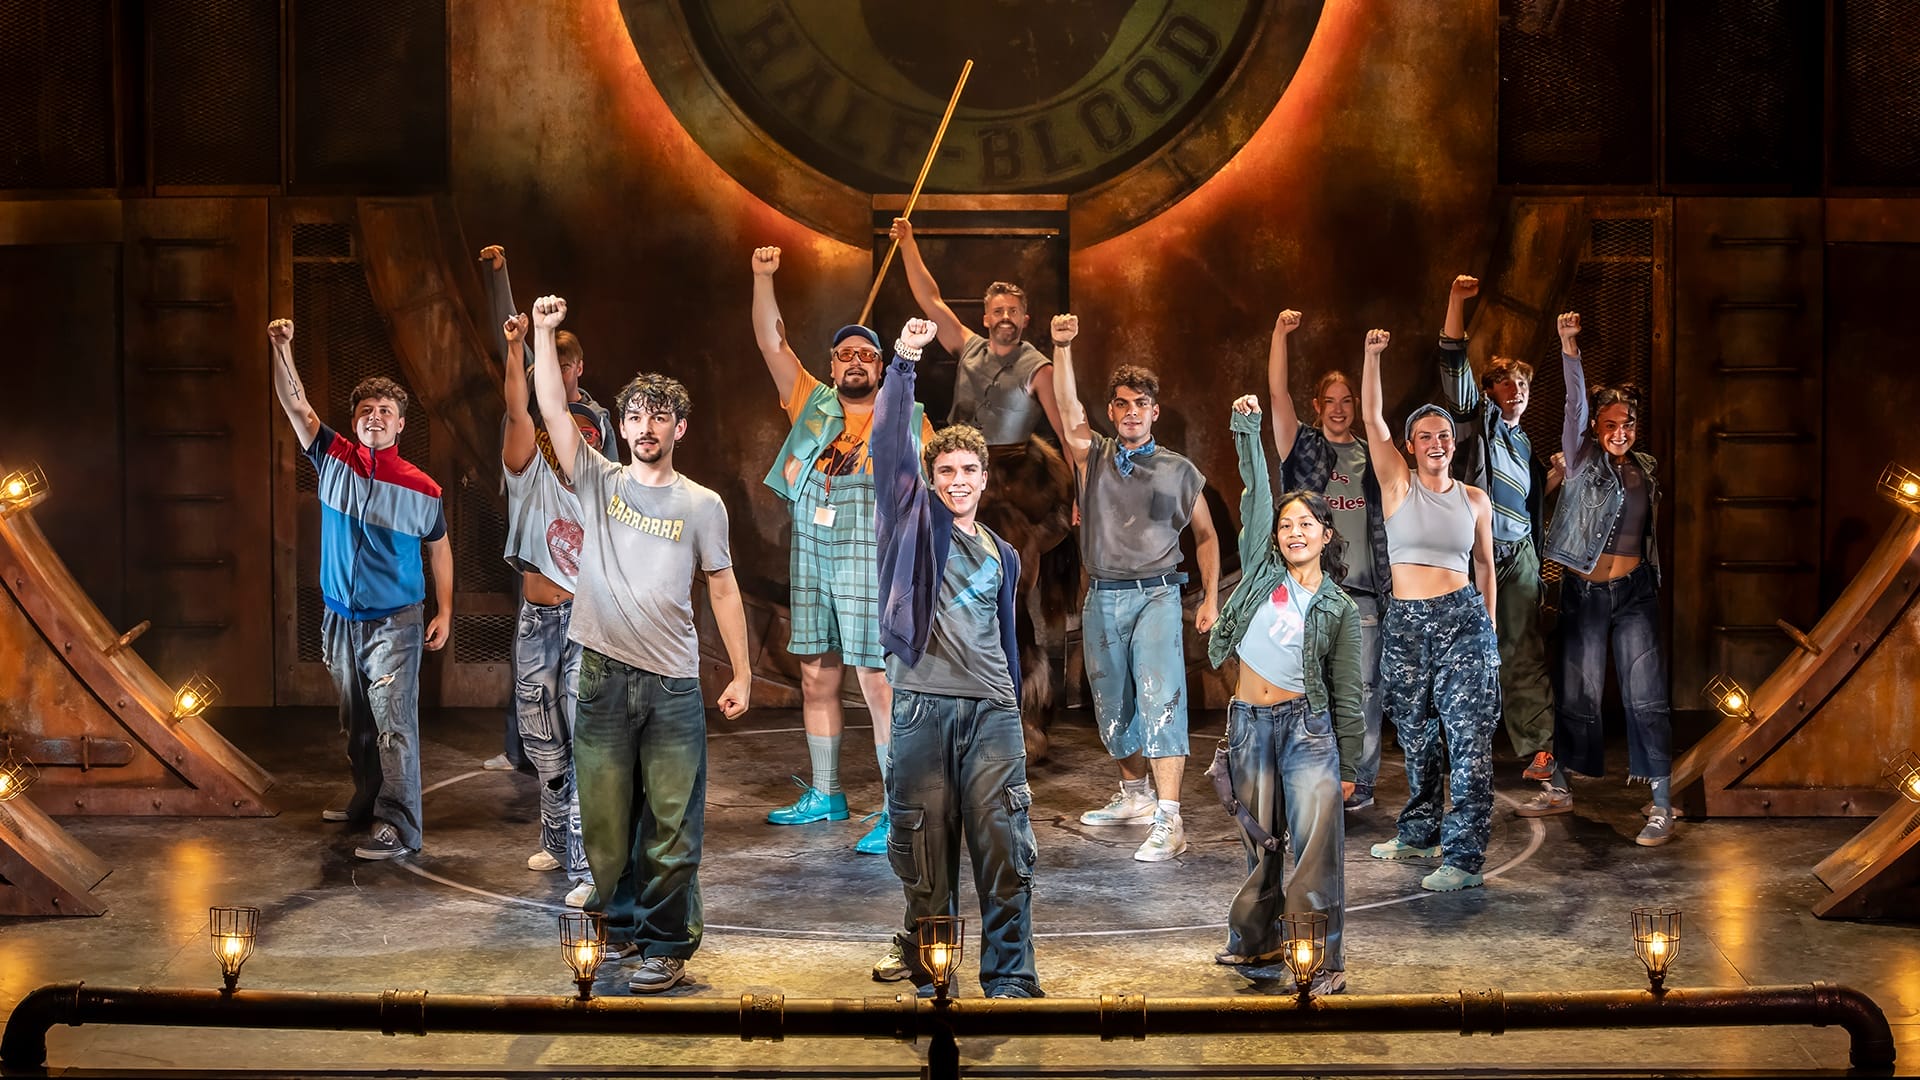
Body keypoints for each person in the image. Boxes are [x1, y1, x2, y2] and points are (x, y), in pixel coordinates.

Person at [528, 294, 753, 994]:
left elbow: (721, 588)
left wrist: (742, 672)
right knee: (604, 822)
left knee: (671, 825)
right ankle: (620, 924)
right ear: (621, 427)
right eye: (634, 415)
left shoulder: (701, 503)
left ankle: (665, 943)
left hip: (672, 685)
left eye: (659, 415)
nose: (645, 425)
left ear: (680, 426)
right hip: (600, 675)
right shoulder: (598, 478)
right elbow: (551, 409)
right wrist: (540, 331)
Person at [868, 316, 1042, 999]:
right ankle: (930, 970)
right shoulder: (912, 520)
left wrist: (1010, 698)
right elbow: (889, 447)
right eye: (946, 470)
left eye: (970, 469)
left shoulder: (1003, 553)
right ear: (931, 478)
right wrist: (904, 363)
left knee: (1005, 852)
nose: (959, 480)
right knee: (924, 857)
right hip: (921, 707)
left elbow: (1004, 636)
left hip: (991, 715)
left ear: (985, 476)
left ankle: (1012, 979)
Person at [750, 245, 934, 853]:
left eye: (867, 354)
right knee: (814, 673)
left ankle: (896, 807)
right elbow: (771, 343)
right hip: (813, 553)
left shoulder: (905, 413)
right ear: (831, 365)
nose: (855, 362)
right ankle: (827, 792)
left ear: (882, 367)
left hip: (870, 558)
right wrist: (763, 277)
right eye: (844, 354)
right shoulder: (811, 402)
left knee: (878, 681)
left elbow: (931, 493)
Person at [268, 318, 450, 861]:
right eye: (365, 411)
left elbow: (439, 548)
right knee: (357, 725)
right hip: (339, 618)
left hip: (396, 621)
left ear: (399, 427)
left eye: (385, 412)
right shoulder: (332, 459)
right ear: (355, 422)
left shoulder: (422, 487)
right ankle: (368, 800)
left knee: (395, 725)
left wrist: (446, 609)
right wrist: (282, 349)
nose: (375, 417)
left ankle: (401, 827)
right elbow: (295, 405)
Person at [890, 217, 1072, 751]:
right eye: (997, 312)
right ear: (986, 317)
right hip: (957, 477)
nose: (1005, 320)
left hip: (1012, 491)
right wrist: (907, 242)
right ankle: (948, 708)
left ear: (1025, 318)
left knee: (1008, 602)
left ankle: (1021, 716)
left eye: (1014, 312)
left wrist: (1078, 495)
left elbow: (1065, 430)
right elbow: (930, 297)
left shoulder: (1037, 368)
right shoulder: (966, 346)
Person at [1049, 313, 1221, 862]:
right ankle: (1135, 796)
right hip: (1102, 595)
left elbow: (1207, 536)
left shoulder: (1178, 469)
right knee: (1112, 704)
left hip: (1156, 595)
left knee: (1161, 699)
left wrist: (1211, 596)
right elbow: (1067, 407)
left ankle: (1171, 821)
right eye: (1121, 403)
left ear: (1155, 411)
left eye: (1140, 404)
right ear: (1112, 410)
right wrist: (1062, 347)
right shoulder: (1093, 455)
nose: (1130, 413)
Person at [1205, 394, 1362, 994]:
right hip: (1249, 721)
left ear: (1326, 535)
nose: (1293, 532)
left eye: (1306, 525)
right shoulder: (1262, 571)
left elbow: (1347, 692)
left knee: (1316, 854)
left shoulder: (1339, 608)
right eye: (1286, 525)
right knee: (1261, 844)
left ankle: (1321, 961)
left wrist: (1348, 765)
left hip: (1308, 729)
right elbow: (1256, 493)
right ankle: (1259, 943)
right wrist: (1247, 429)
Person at [1355, 329, 1503, 893]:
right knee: (1415, 735)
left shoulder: (1474, 500)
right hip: (1406, 623)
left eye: (1443, 434)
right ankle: (1419, 832)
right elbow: (1372, 420)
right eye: (1425, 436)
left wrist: (1487, 629)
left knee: (1467, 739)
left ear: (1452, 443)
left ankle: (1464, 856)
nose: (1436, 442)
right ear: (1411, 446)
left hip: (1462, 620)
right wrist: (1372, 358)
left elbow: (1486, 567)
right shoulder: (1397, 484)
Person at [1523, 312, 1675, 847]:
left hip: (1635, 593)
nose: (1618, 433)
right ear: (1595, 428)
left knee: (1646, 695)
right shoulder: (1583, 457)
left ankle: (1661, 803)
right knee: (1577, 692)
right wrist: (1570, 348)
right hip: (1585, 592)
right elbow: (1573, 405)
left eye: (1627, 425)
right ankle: (1561, 785)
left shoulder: (1646, 468)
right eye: (1609, 425)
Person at [476, 244, 618, 774]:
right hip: (537, 539)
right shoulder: (527, 415)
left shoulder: (599, 419)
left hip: (582, 563)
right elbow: (511, 339)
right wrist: (500, 275)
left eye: (563, 364)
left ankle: (590, 811)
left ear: (578, 367)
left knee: (581, 694)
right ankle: (524, 751)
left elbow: (613, 488)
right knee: (533, 665)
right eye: (547, 366)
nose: (553, 372)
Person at [1434, 274, 1558, 782]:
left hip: (1519, 551)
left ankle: (1539, 748)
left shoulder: (1523, 443)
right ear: (1488, 391)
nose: (1517, 390)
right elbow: (1452, 362)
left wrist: (1553, 479)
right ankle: (1460, 748)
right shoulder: (1477, 421)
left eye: (1523, 384)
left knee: (1523, 648)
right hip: (1474, 554)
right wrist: (1456, 301)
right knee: (1465, 649)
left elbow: (1523, 503)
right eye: (1506, 382)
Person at [1268, 311, 1389, 812]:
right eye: (1330, 402)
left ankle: (1358, 783)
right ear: (1317, 406)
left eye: (1347, 402)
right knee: (1306, 690)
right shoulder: (1304, 450)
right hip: (1310, 595)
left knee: (1362, 694)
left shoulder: (1372, 457)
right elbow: (1277, 396)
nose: (1339, 410)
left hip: (1363, 596)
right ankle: (1310, 778)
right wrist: (1280, 335)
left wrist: (1372, 357)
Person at [497, 305, 593, 909]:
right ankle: (555, 838)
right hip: (537, 616)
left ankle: (587, 860)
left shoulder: (600, 454)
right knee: (542, 738)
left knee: (583, 736)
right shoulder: (526, 455)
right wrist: (514, 350)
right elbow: (517, 410)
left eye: (560, 363)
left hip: (586, 616)